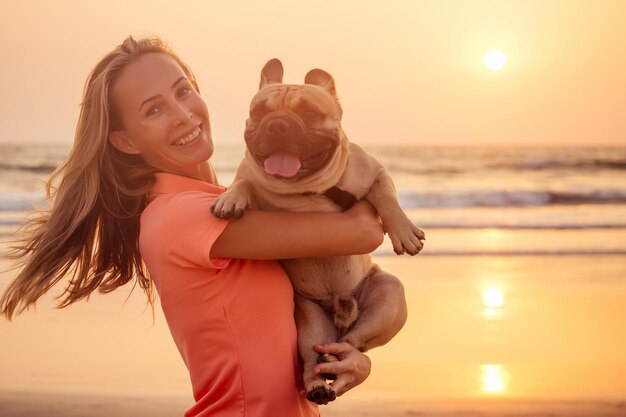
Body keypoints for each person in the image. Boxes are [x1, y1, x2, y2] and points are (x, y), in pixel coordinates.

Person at [0, 36, 384, 416]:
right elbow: (364, 231)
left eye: (182, 91)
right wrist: (353, 168)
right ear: (126, 141)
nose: (182, 114)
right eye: (153, 110)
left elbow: (295, 327)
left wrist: (350, 355)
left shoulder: (225, 202)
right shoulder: (184, 216)